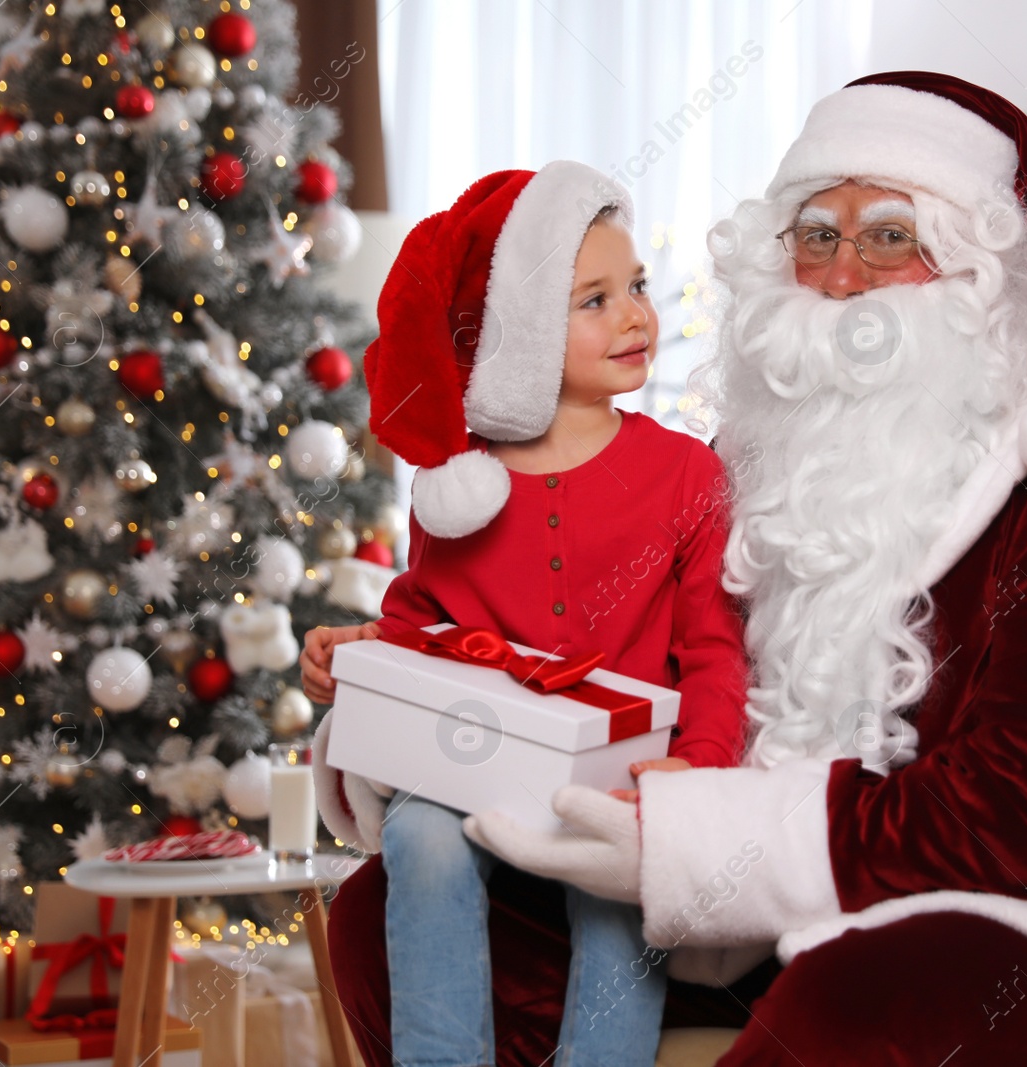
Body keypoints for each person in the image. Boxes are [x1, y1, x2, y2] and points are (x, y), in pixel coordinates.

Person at [456, 73, 1027, 1067]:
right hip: (733, 912)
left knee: (867, 1003)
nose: (838, 278)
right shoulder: (741, 468)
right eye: (816, 235)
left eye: (887, 237)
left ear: (979, 269)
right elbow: (608, 655)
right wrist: (430, 697)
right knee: (423, 901)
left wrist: (695, 843)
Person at [302, 161, 750, 1067]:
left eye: (637, 288)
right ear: (520, 329)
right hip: (471, 759)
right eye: (594, 299)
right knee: (419, 833)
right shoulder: (465, 491)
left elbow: (713, 647)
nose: (634, 315)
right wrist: (357, 651)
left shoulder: (687, 475)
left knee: (619, 882)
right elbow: (418, 621)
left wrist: (695, 767)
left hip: (616, 771)